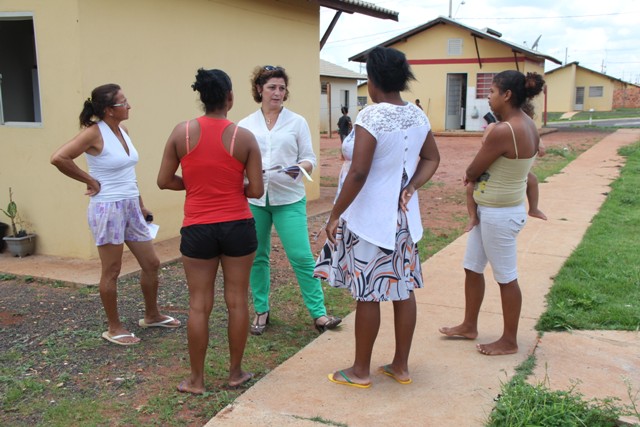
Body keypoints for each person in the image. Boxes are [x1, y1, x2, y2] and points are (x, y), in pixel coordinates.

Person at [315, 47, 440, 388]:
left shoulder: (371, 117)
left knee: (368, 293)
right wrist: (411, 186)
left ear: (373, 80)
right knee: (403, 289)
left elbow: (358, 173)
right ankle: (400, 366)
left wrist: (334, 215)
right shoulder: (417, 116)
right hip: (403, 220)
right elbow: (432, 158)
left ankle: (360, 371)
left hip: (370, 220)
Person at [157, 69, 263, 394]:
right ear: (230, 98)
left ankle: (196, 380)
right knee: (238, 301)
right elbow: (256, 191)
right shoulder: (243, 137)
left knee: (199, 304)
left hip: (198, 228)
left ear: (202, 98)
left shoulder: (182, 133)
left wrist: (196, 184)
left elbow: (163, 181)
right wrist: (233, 186)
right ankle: (235, 373)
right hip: (237, 226)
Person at [51, 84, 180, 346]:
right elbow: (59, 158)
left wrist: (141, 204)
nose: (129, 106)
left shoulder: (123, 130)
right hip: (107, 207)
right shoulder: (92, 133)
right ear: (109, 110)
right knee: (112, 269)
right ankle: (114, 327)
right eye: (123, 102)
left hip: (130, 204)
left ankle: (152, 315)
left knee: (152, 263)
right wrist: (90, 180)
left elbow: (127, 174)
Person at [439, 70, 545, 356]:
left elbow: (473, 169)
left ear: (507, 95)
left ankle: (509, 340)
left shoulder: (504, 130)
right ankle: (469, 325)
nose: (489, 97)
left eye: (492, 92)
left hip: (500, 214)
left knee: (506, 277)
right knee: (472, 267)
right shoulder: (528, 124)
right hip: (492, 210)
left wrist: (472, 173)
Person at [238, 65, 342, 335]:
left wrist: (301, 167)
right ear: (259, 89)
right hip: (256, 200)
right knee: (258, 257)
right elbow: (237, 160)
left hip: (289, 198)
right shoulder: (246, 125)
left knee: (301, 256)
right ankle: (262, 310)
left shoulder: (297, 122)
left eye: (282, 88)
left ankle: (319, 314)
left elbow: (311, 158)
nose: (278, 93)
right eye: (272, 87)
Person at [465, 102, 547, 232]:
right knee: (470, 187)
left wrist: (536, 142)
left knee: (533, 180)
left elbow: (541, 149)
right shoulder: (495, 127)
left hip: (513, 170)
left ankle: (534, 208)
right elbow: (485, 143)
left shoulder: (528, 130)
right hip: (491, 166)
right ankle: (473, 217)